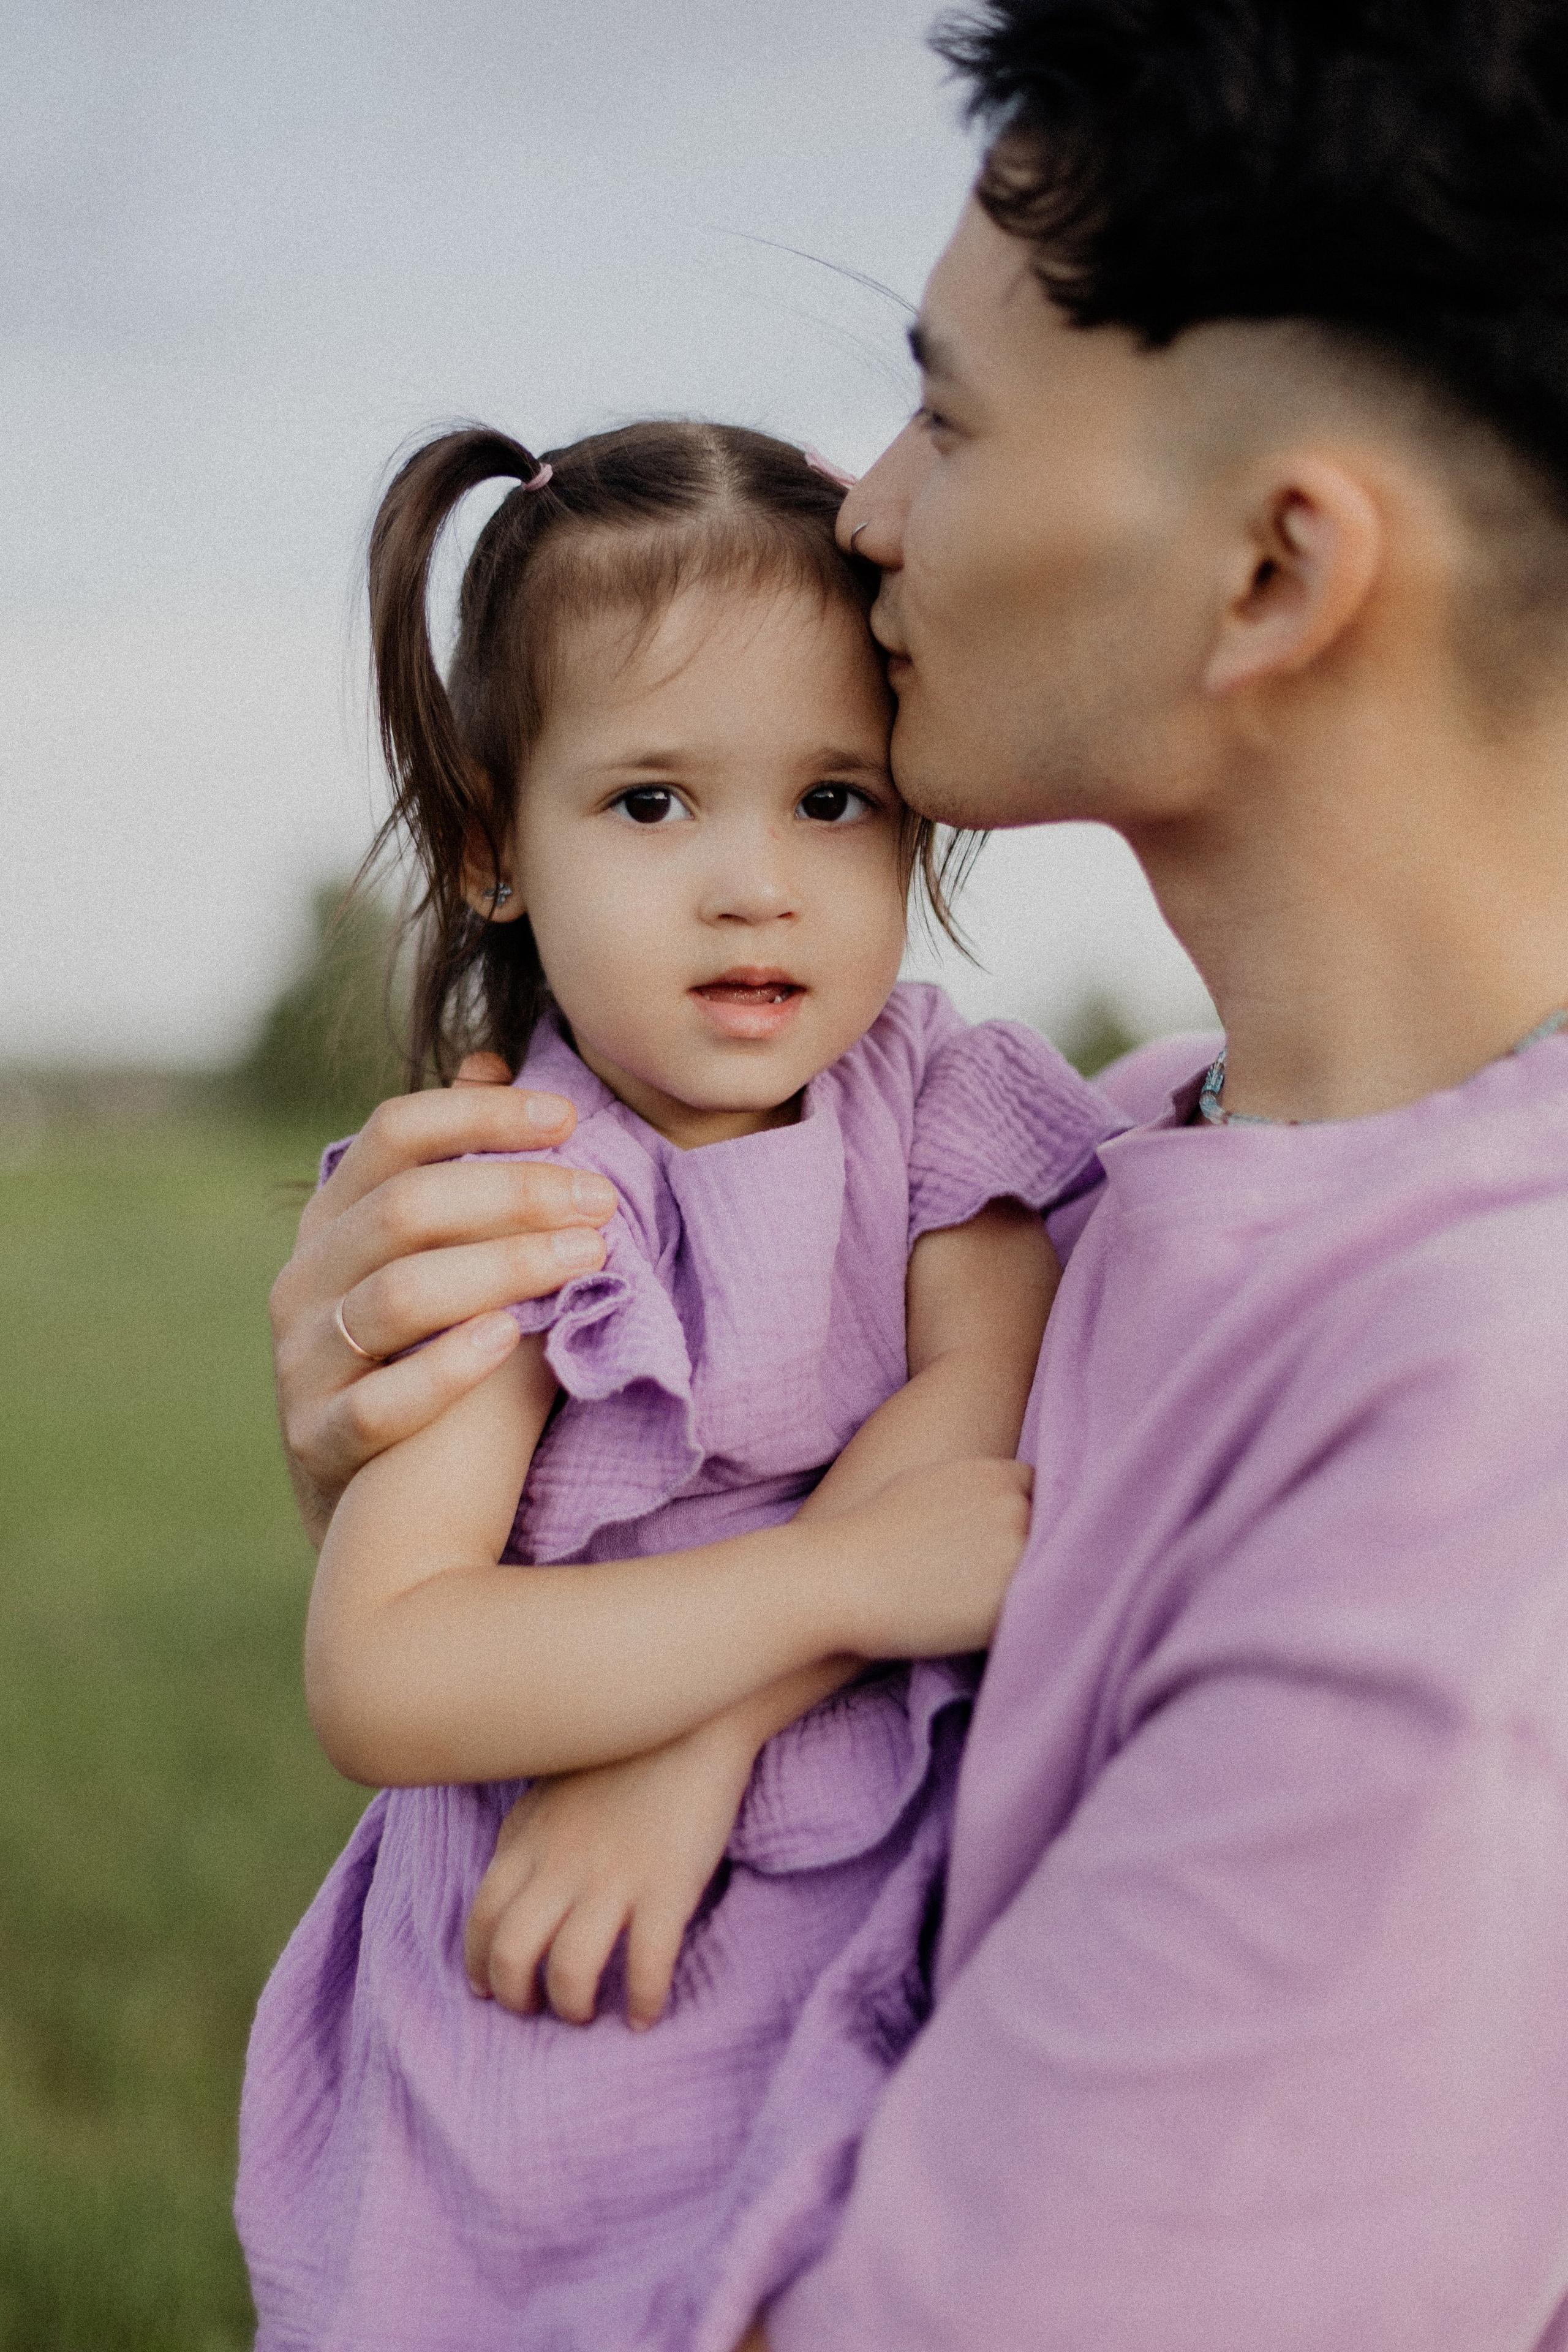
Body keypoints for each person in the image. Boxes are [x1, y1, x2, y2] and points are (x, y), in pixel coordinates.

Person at [266, 1, 1568, 2343]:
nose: (862, 506)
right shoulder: (1158, 1133)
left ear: (1273, 573)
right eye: (652, 800)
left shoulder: (1478, 1470)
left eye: (948, 415)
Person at [238, 417, 1118, 2349]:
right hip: (556, 1994)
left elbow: (966, 1461)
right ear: (493, 844)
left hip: (875, 1924)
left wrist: (696, 1741)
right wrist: (826, 1589)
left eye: (835, 801)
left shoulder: (941, 1115)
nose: (755, 886)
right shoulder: (511, 1197)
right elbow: (387, 1666)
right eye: (651, 805)